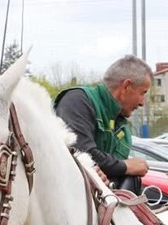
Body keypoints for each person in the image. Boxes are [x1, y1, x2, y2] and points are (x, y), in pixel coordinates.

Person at [53, 55, 152, 184]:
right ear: (126, 86)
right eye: (142, 93)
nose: (142, 103)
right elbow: (81, 154)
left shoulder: (120, 124)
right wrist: (125, 166)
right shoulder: (77, 101)